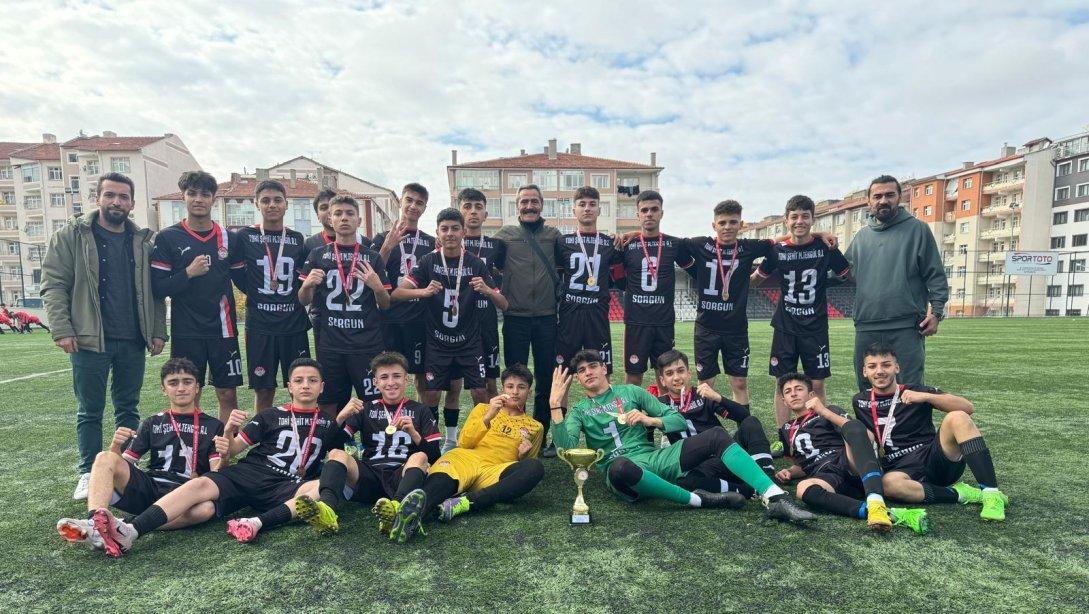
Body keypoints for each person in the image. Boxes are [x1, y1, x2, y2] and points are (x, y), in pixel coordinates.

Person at [90, 358, 347, 557]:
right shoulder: (270, 415)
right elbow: (234, 449)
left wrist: (344, 416)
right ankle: (131, 530)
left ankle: (257, 523)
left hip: (286, 485)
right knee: (202, 483)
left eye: (312, 381)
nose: (305, 385)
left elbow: (338, 459)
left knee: (317, 487)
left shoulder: (328, 424)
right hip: (249, 474)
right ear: (289, 385)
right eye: (299, 380)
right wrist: (228, 432)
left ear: (321, 386)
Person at [549, 350, 815, 522]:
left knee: (715, 435)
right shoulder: (579, 410)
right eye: (581, 371)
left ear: (604, 369)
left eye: (592, 366)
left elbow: (676, 419)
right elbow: (566, 448)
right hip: (622, 469)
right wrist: (555, 406)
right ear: (579, 380)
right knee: (620, 468)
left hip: (655, 458)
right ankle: (699, 500)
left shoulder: (632, 393)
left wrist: (649, 418)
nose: (588, 373)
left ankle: (775, 496)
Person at [41, 171, 167, 500]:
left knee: (128, 408)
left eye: (123, 197)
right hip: (88, 338)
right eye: (110, 195)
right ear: (98, 198)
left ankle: (121, 468)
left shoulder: (142, 241)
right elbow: (53, 284)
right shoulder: (72, 234)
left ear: (132, 203)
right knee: (90, 410)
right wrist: (62, 328)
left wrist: (156, 330)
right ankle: (88, 472)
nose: (116, 202)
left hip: (132, 338)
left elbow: (154, 291)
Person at [56, 358, 229, 549]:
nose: (181, 388)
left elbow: (217, 473)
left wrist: (225, 456)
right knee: (104, 457)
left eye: (187, 382)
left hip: (184, 494)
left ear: (197, 387)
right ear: (164, 389)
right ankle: (94, 521)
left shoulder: (213, 425)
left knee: (206, 509)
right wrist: (115, 448)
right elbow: (125, 465)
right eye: (173, 383)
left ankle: (126, 524)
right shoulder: (152, 422)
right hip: (151, 486)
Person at [385, 363, 545, 543]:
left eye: (521, 387)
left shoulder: (535, 426)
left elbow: (524, 468)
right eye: (510, 386)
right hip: (466, 459)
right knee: (442, 480)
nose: (515, 392)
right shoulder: (483, 409)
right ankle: (412, 517)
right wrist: (489, 416)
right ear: (502, 389)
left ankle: (464, 503)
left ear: (529, 392)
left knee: (535, 468)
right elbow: (465, 442)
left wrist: (523, 456)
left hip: (495, 470)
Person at [852, 343, 1008, 521]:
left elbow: (968, 407)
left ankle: (991, 494)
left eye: (886, 365)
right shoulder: (860, 401)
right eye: (872, 366)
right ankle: (957, 494)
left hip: (934, 458)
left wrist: (927, 397)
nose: (879, 371)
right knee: (888, 485)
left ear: (897, 367)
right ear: (864, 371)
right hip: (900, 469)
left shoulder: (916, 390)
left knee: (958, 417)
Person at [305, 351, 441, 537]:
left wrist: (414, 434)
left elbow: (435, 456)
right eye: (384, 377)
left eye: (396, 376)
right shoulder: (366, 409)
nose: (391, 382)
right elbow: (331, 444)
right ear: (376, 382)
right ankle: (327, 510)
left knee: (420, 456)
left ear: (406, 380)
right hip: (370, 476)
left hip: (401, 477)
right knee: (337, 453)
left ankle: (396, 507)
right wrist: (341, 417)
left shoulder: (421, 410)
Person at [392, 208, 507, 426]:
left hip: (469, 341)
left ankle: (483, 443)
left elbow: (504, 303)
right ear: (437, 232)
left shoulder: (475, 263)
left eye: (455, 228)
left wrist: (488, 290)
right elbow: (397, 294)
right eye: (444, 229)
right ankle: (431, 442)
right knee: (431, 394)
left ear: (463, 231)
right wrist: (422, 292)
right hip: (437, 341)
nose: (450, 233)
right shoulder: (428, 261)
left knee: (481, 393)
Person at [774, 372, 928, 533]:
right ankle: (883, 512)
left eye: (799, 389)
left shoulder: (829, 411)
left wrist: (824, 412)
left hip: (850, 463)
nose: (793, 393)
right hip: (824, 474)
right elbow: (801, 466)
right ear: (784, 401)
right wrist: (790, 472)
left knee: (853, 426)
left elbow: (865, 435)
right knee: (803, 488)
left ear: (811, 394)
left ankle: (875, 498)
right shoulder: (787, 429)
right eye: (788, 391)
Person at [151, 170, 244, 423]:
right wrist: (188, 273)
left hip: (223, 329)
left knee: (227, 395)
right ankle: (191, 452)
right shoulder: (168, 237)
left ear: (213, 198)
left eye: (205, 194)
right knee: (188, 395)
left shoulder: (229, 238)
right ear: (184, 197)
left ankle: (225, 456)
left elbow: (244, 280)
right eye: (192, 193)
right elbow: (158, 287)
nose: (198, 199)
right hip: (186, 330)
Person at [752, 195, 851, 426]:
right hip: (785, 327)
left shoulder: (825, 247)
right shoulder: (777, 250)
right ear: (786, 220)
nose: (800, 221)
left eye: (805, 216)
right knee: (782, 384)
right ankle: (783, 435)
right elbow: (757, 278)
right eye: (794, 217)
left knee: (817, 385)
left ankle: (819, 432)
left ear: (813, 219)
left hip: (815, 327)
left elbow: (846, 274)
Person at [845, 175, 948, 391]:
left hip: (906, 326)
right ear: (869, 201)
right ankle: (872, 427)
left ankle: (911, 427)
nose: (883, 200)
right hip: (867, 325)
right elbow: (840, 273)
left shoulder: (918, 230)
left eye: (889, 195)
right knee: (866, 390)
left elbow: (935, 275)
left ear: (899, 197)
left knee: (910, 389)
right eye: (878, 196)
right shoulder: (861, 238)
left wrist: (936, 312)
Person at [298, 195, 391, 416]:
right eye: (338, 213)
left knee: (373, 402)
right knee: (329, 402)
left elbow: (385, 304)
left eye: (350, 213)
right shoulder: (317, 254)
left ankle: (372, 447)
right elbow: (303, 299)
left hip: (366, 343)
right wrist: (308, 285)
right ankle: (333, 446)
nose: (344, 218)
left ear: (358, 220)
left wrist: (378, 287)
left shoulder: (372, 257)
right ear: (330, 218)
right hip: (331, 343)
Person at [492, 184, 562, 455]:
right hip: (515, 318)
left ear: (541, 205)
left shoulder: (554, 235)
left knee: (545, 379)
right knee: (515, 382)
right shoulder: (504, 235)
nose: (529, 206)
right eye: (524, 202)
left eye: (534, 201)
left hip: (547, 318)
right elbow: (485, 261)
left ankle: (540, 437)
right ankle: (511, 435)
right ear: (517, 205)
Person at [232, 179, 311, 413]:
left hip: (293, 324)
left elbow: (302, 282)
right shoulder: (245, 236)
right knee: (264, 389)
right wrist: (257, 292)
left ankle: (301, 439)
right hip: (260, 325)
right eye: (265, 200)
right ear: (257, 204)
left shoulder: (297, 239)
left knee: (300, 387)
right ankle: (262, 442)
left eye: (277, 200)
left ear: (287, 204)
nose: (272, 205)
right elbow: (238, 276)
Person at [652, 350, 775, 495]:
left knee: (751, 423)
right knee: (682, 481)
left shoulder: (703, 395)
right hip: (700, 467)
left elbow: (744, 416)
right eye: (669, 373)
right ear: (662, 380)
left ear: (689, 373)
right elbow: (645, 438)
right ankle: (748, 490)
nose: (677, 377)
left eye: (680, 371)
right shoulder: (657, 405)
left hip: (727, 453)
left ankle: (769, 480)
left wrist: (718, 398)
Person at [440, 189, 508, 452]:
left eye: (478, 207)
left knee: (488, 385)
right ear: (459, 210)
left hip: (486, 323)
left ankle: (492, 437)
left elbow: (502, 278)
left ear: (486, 213)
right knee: (454, 385)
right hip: (456, 324)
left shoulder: (496, 246)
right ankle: (451, 438)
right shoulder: (446, 247)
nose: (473, 211)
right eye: (467, 206)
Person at [614, 191, 693, 387]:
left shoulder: (674, 244)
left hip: (663, 323)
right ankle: (633, 417)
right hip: (636, 322)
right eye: (644, 210)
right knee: (633, 376)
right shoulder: (627, 244)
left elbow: (696, 270)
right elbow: (618, 281)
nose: (649, 214)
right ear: (638, 215)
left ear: (661, 213)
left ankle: (664, 416)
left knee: (665, 375)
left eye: (654, 209)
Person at [373, 183, 435, 392]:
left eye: (419, 203)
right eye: (409, 200)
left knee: (422, 378)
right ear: (400, 202)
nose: (413, 206)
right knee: (387, 377)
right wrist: (387, 247)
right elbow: (372, 272)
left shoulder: (430, 242)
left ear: (424, 208)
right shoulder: (382, 237)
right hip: (388, 317)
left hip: (418, 318)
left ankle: (421, 422)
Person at [554, 186, 616, 372]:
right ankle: (559, 404)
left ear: (599, 209)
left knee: (601, 371)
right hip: (569, 314)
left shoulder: (610, 243)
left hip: (597, 314)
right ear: (574, 210)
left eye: (592, 204)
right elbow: (556, 277)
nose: (587, 208)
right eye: (582, 204)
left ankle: (602, 403)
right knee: (562, 372)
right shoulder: (562, 242)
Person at [303, 188, 371, 254]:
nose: (329, 211)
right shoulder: (309, 244)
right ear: (317, 216)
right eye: (324, 208)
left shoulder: (365, 242)